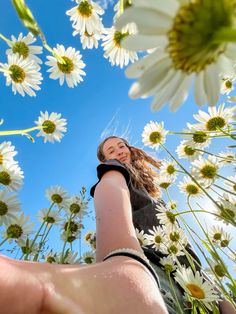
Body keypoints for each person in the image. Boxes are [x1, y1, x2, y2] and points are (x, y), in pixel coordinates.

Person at [0, 136, 235, 314]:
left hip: (193, 277)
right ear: (105, 160)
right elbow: (108, 190)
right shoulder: (115, 172)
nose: (118, 152)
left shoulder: (149, 188)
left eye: (120, 146)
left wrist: (220, 298)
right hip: (154, 271)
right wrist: (121, 261)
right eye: (110, 151)